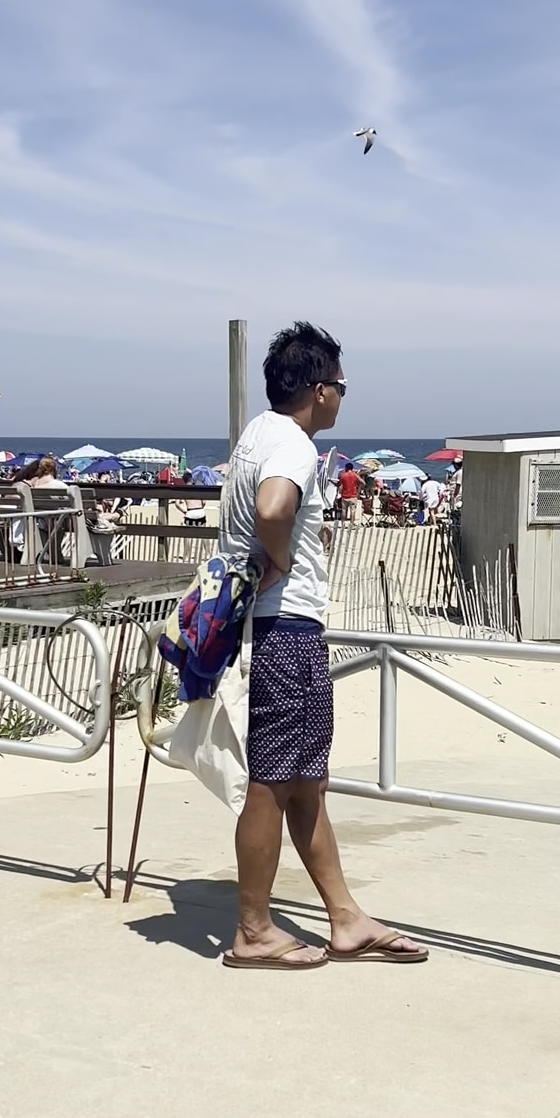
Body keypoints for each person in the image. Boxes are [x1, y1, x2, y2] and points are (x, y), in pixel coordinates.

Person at [217, 320, 428, 969]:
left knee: (307, 782)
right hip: (286, 632)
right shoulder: (295, 448)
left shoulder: (258, 433)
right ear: (319, 390)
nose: (342, 396)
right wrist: (279, 559)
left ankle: (346, 919)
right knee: (273, 783)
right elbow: (276, 508)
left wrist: (291, 551)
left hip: (278, 630)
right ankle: (254, 931)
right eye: (341, 385)